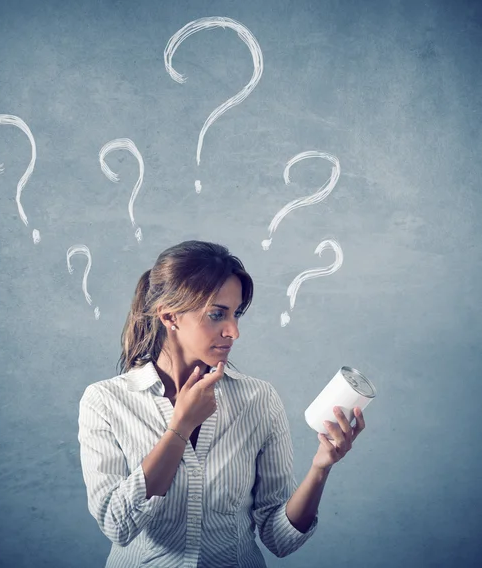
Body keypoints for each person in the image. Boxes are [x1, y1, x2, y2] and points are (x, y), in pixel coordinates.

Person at [78, 240, 366, 568]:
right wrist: (180, 428)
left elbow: (279, 539)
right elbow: (117, 525)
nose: (234, 332)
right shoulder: (105, 402)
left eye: (236, 314)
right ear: (170, 316)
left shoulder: (259, 400)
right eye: (217, 314)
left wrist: (321, 466)